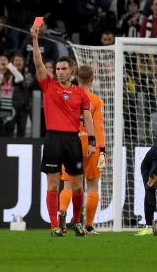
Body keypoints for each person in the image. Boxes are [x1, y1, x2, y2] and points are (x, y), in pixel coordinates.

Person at [31, 24, 95, 237]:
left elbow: (87, 117)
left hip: (72, 140)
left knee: (77, 187)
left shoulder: (80, 93)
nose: (59, 72)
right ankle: (54, 226)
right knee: (53, 183)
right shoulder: (48, 85)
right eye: (57, 69)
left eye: (63, 69)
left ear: (72, 71)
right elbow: (38, 62)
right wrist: (35, 39)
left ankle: (76, 221)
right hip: (53, 139)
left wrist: (93, 142)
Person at [59, 65, 107, 235]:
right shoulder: (96, 100)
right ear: (92, 80)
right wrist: (101, 150)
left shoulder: (66, 97)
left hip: (70, 144)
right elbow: (98, 127)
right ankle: (88, 226)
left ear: (76, 78)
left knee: (68, 185)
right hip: (90, 145)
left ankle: (62, 218)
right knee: (92, 186)